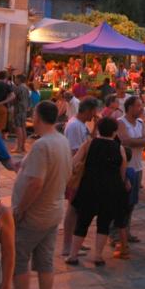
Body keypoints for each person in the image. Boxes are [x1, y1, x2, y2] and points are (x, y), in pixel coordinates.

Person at [7, 101, 72, 289]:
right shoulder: (61, 141)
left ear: (38, 117)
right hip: (53, 213)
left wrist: (19, 210)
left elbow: (35, 183)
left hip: (34, 216)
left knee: (19, 262)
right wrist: (21, 165)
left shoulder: (42, 145)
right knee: (45, 263)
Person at [66, 117, 130, 267]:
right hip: (111, 189)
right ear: (114, 132)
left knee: (82, 221)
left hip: (89, 187)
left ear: (99, 129)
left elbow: (74, 162)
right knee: (104, 223)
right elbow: (122, 171)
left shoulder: (89, 144)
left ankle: (73, 255)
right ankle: (98, 256)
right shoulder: (118, 148)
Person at [61, 97, 98, 257]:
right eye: (94, 111)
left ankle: (75, 241)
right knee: (72, 209)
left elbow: (89, 141)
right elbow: (76, 151)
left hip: (80, 173)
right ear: (89, 110)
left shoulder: (80, 125)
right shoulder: (75, 125)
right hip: (76, 173)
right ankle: (67, 245)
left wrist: (96, 126)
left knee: (77, 209)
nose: (95, 114)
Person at [117, 96, 145, 242]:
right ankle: (117, 233)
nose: (141, 108)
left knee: (132, 202)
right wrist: (139, 142)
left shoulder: (141, 123)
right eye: (138, 106)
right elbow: (125, 141)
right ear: (130, 107)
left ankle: (127, 231)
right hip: (126, 168)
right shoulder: (121, 123)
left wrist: (135, 142)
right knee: (122, 202)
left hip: (138, 167)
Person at [12, 75, 30, 154]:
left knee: (18, 128)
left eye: (16, 78)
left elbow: (14, 98)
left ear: (19, 79)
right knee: (23, 128)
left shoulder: (19, 88)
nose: (15, 80)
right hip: (24, 110)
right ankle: (23, 146)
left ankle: (18, 148)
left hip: (18, 109)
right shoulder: (26, 88)